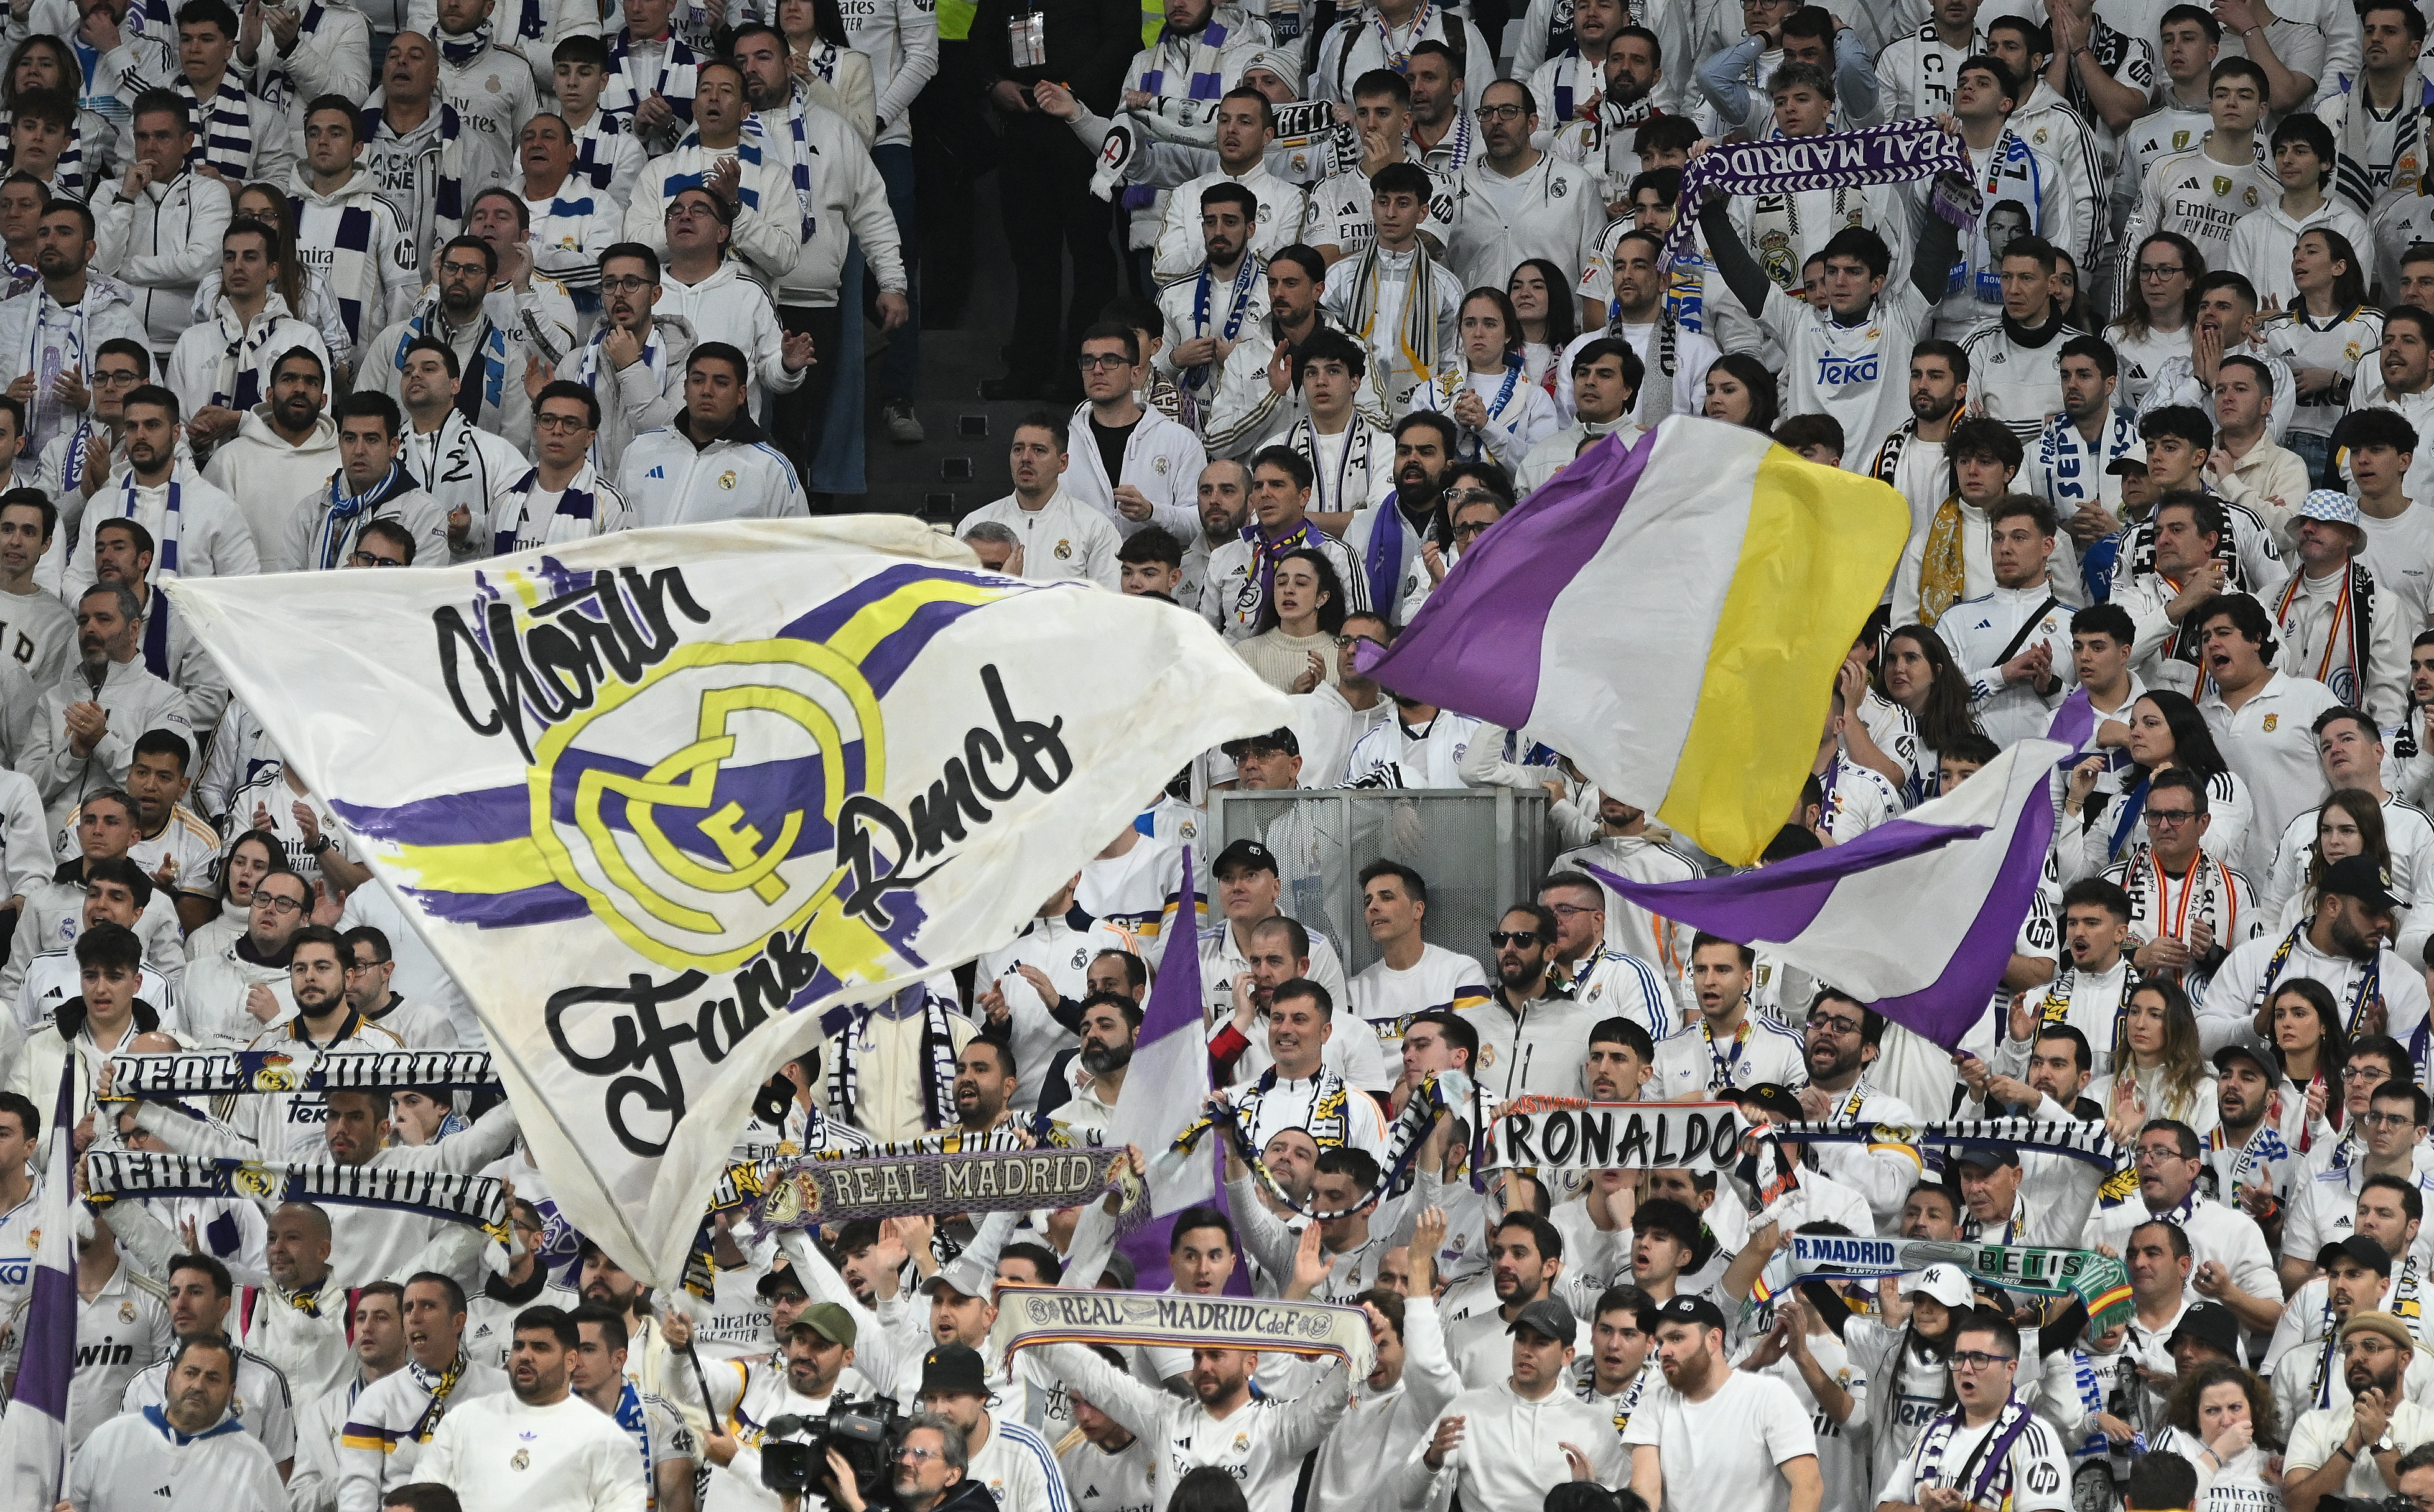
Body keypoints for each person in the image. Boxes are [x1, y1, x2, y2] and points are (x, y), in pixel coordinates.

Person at [418, 1306, 646, 1512]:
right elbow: (422, 1502)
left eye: (541, 1348)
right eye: (519, 1346)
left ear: (571, 1361)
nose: (525, 1356)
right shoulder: (463, 1420)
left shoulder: (607, 1439)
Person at [1625, 1293, 1822, 1512]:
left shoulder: (1768, 1396)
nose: (1663, 1351)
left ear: (1713, 1340)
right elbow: (1645, 1494)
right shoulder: (1654, 1404)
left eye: (1677, 1338)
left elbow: (1808, 1486)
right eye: (1661, 1342)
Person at [1874, 1310, 2071, 1512]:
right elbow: (1884, 1507)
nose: (1965, 1369)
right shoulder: (1930, 1432)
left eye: (1979, 1358)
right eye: (1959, 1358)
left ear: (2010, 1369)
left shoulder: (2035, 1437)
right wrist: (1922, 1510)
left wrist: (1967, 1509)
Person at [65, 1333, 287, 1512]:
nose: (199, 1385)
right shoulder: (111, 1438)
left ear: (231, 1392)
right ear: (170, 1378)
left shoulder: (253, 1463)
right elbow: (71, 1504)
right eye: (191, 1373)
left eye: (213, 1378)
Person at [615, 345, 805, 526]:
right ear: (685, 389)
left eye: (721, 383)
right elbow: (613, 527)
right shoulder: (641, 450)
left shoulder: (770, 468)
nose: (707, 391)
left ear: (741, 395)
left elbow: (799, 547)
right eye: (698, 381)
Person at [2283, 1310, 2434, 1512]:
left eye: (2371, 1347)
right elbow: (2298, 1506)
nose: (2356, 1357)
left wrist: (2378, 1439)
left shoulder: (2428, 1425)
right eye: (2349, 1350)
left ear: (2404, 1359)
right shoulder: (2313, 1423)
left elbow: (2425, 1499)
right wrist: (2351, 1445)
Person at [954, 410, 1121, 588]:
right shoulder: (974, 523)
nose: (1026, 458)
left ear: (1062, 463)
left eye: (1039, 450)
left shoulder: (1095, 529)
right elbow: (953, 595)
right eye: (1018, 449)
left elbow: (1109, 602)